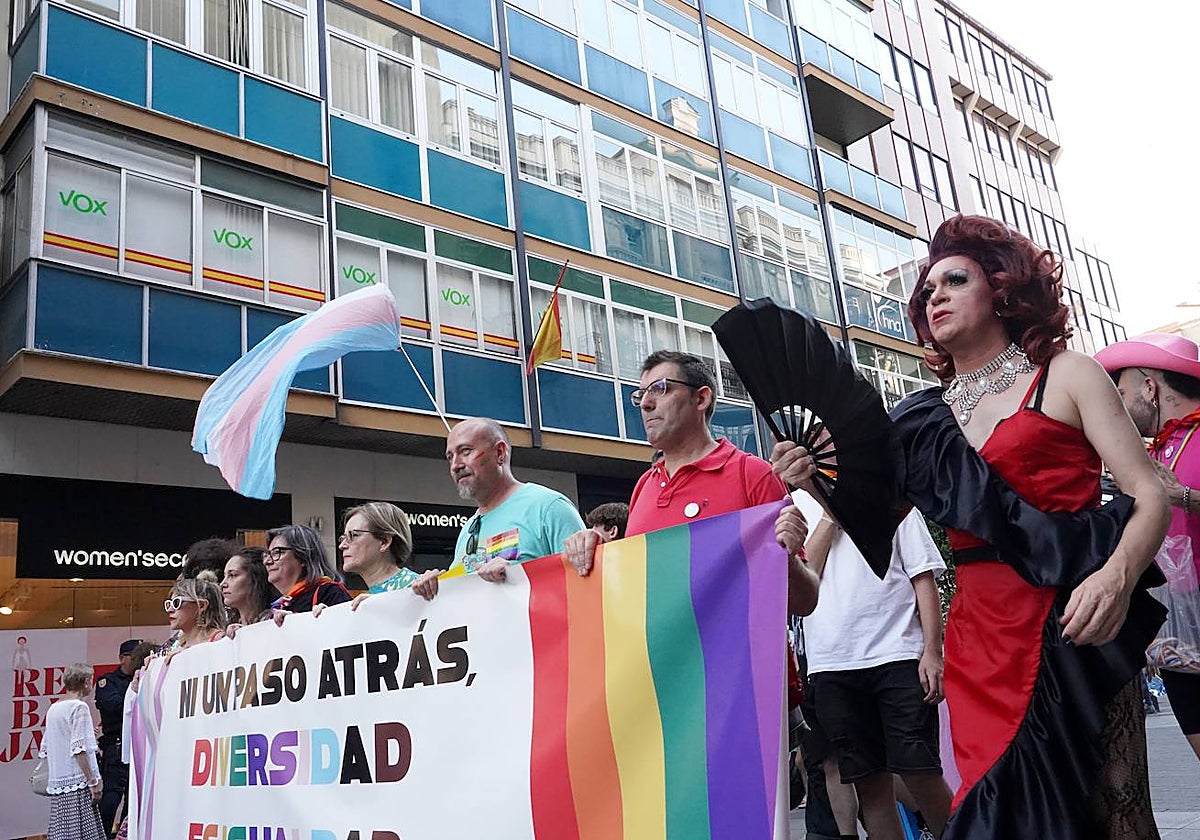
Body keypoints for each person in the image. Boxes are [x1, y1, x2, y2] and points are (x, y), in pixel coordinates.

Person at [777, 215, 1169, 840]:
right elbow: (873, 525)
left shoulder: (1066, 373)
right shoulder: (919, 419)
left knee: (1113, 815)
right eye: (928, 289)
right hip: (978, 638)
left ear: (1003, 290)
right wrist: (815, 481)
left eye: (955, 280)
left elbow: (1149, 495)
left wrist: (1117, 580)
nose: (935, 295)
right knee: (996, 814)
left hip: (1074, 616)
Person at [564, 350, 818, 617]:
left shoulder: (753, 474)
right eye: (641, 395)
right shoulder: (645, 485)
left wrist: (788, 560)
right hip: (663, 645)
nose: (645, 404)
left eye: (660, 389)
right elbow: (636, 590)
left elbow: (806, 602)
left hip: (736, 644)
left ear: (701, 398)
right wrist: (596, 554)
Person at [793, 496, 952, 840]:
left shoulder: (889, 496)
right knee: (869, 784)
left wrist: (932, 650)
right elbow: (802, 581)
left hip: (898, 654)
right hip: (832, 663)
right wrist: (829, 516)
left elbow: (923, 577)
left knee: (921, 770)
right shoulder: (796, 506)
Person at [1097, 331, 1200, 760]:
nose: (1117, 407)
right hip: (1180, 638)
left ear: (1150, 387)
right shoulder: (1152, 454)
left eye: (1121, 393)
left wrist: (1184, 498)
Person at [413, 418, 584, 600]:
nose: (455, 465)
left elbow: (584, 583)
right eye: (450, 457)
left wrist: (516, 578)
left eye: (465, 451)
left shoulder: (549, 507)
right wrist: (435, 586)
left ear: (500, 453)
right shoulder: (467, 528)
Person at [41, 662, 105, 840]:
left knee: (64, 833)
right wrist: (93, 780)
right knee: (83, 833)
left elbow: (50, 744)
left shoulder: (54, 708)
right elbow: (78, 750)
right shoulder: (79, 707)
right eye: (91, 680)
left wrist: (86, 736)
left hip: (59, 784)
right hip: (78, 781)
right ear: (85, 682)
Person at [94, 639, 143, 837]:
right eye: (135, 656)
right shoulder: (108, 681)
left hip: (138, 745)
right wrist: (133, 692)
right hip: (116, 745)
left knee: (134, 800)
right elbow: (115, 705)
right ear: (123, 658)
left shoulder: (146, 677)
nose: (139, 660)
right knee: (111, 799)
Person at [264, 524, 352, 613]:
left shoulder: (330, 593)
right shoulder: (280, 606)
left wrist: (327, 616)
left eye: (276, 552)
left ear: (303, 557)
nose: (266, 561)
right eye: (267, 554)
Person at [164, 572, 227, 652]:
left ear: (201, 605)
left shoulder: (222, 640)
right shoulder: (177, 646)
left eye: (176, 602)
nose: (170, 609)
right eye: (169, 603)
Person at [221, 546, 278, 626]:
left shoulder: (276, 621)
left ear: (255, 578)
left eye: (232, 575)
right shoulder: (229, 626)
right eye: (225, 576)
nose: (222, 584)